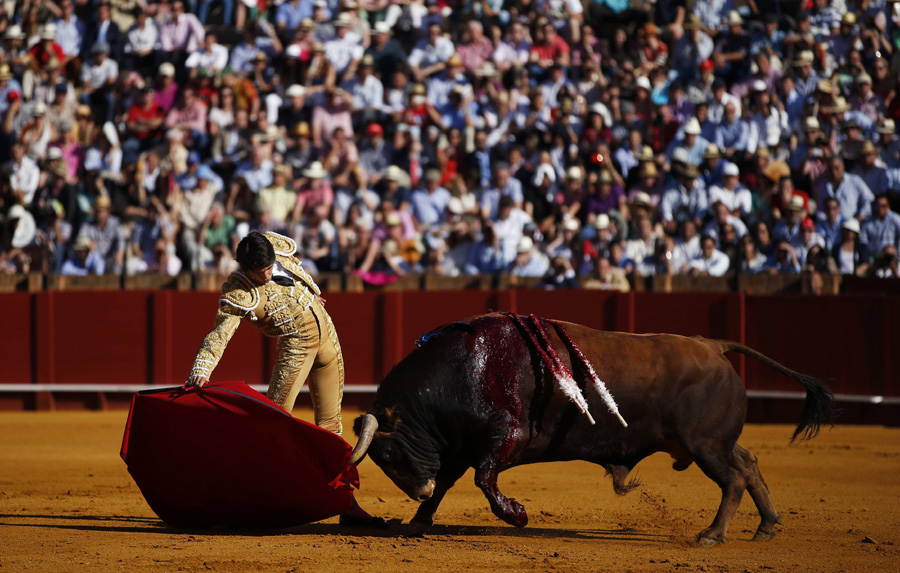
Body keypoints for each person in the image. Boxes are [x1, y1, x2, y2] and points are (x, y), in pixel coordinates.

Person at [184, 231, 386, 528]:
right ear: (244, 266)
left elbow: (297, 267)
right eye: (259, 271)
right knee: (272, 429)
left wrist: (313, 292)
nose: (266, 275)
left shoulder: (275, 249)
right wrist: (202, 367)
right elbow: (221, 332)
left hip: (329, 341)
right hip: (296, 352)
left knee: (332, 429)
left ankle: (347, 505)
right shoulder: (239, 290)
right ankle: (253, 502)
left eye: (268, 267)